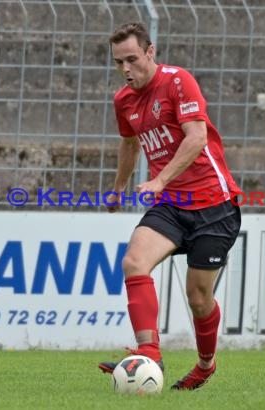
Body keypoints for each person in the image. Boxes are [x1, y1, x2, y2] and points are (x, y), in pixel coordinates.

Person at [98, 21, 242, 391]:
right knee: (134, 261)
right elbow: (129, 145)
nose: (126, 69)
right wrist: (117, 189)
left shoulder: (178, 81)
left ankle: (205, 365)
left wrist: (160, 179)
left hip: (214, 203)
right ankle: (150, 353)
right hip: (172, 205)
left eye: (132, 59)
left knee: (198, 297)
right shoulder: (123, 101)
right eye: (118, 63)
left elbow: (196, 138)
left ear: (151, 52)